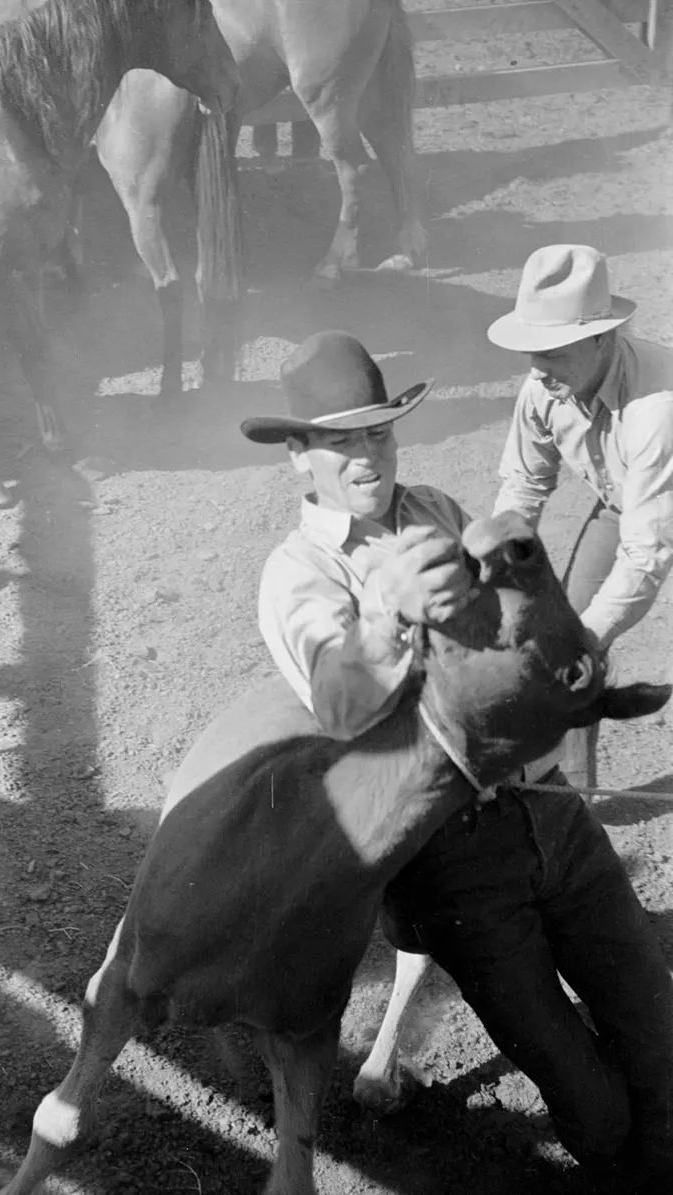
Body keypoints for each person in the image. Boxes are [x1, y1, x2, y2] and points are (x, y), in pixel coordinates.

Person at [240, 329, 673, 1189]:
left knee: (657, 1036)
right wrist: (382, 621)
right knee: (590, 1103)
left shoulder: (436, 507)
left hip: (554, 810)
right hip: (455, 862)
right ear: (299, 455)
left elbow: (503, 643)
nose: (368, 454)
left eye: (380, 432)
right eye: (342, 438)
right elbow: (342, 708)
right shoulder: (298, 574)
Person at [488, 244, 673, 787]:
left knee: (580, 638)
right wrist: (498, 573)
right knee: (564, 633)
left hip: (653, 503)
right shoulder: (542, 387)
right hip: (626, 502)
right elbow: (524, 483)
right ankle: (574, 794)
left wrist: (584, 640)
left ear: (602, 339)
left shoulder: (656, 409)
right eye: (532, 353)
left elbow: (647, 554)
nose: (538, 370)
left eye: (553, 353)